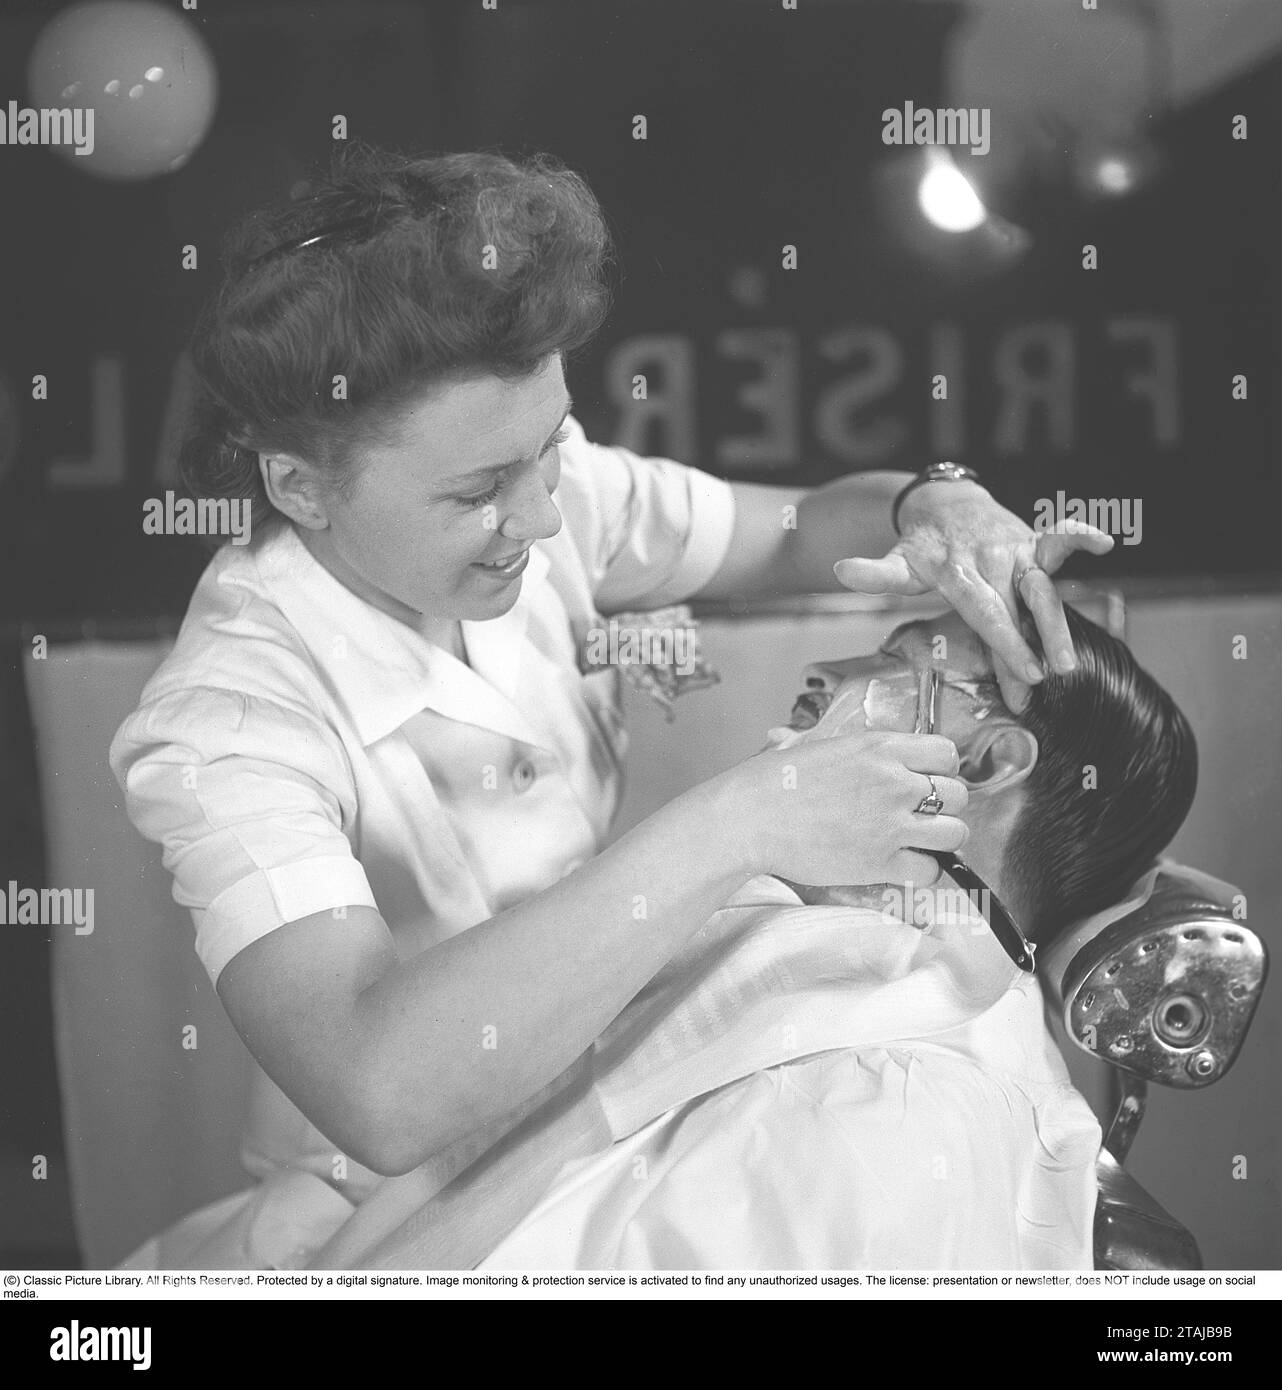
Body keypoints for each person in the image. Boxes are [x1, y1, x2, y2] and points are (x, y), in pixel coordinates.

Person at [109, 144, 1112, 1270]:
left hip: (614, 1099)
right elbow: (375, 1084)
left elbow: (801, 532)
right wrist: (744, 822)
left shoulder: (543, 486)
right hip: (389, 1207)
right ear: (298, 484)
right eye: (480, 491)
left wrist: (941, 502)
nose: (542, 518)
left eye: (546, 449)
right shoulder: (229, 720)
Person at [292, 604, 1197, 1271]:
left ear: (987, 762)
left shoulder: (891, 1117)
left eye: (894, 660)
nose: (826, 669)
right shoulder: (769, 974)